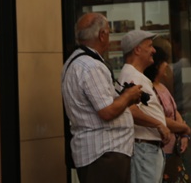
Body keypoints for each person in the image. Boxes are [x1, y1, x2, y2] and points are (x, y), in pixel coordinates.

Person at [61, 13, 148, 182]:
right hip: (103, 153)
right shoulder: (91, 66)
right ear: (102, 35)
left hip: (98, 152)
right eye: (108, 32)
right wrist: (129, 95)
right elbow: (107, 112)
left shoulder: (75, 62)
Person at [118, 29, 173, 183]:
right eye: (149, 46)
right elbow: (129, 109)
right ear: (137, 50)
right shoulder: (131, 75)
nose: (154, 50)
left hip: (148, 149)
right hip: (143, 149)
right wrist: (158, 124)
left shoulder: (136, 75)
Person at [143, 46, 191, 183]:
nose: (168, 66)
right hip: (163, 150)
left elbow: (174, 112)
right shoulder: (149, 88)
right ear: (157, 65)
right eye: (165, 62)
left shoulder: (162, 86)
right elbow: (160, 118)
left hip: (174, 148)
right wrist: (184, 128)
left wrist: (184, 134)